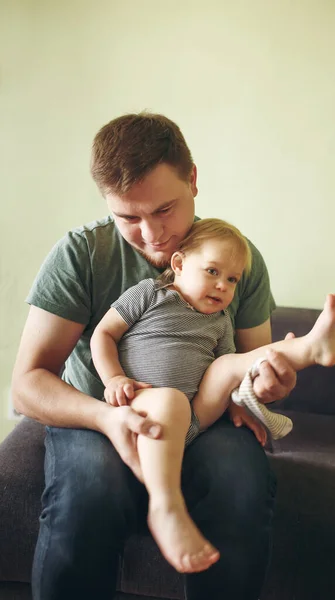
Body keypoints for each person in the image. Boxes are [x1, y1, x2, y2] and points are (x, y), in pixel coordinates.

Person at [11, 112, 298, 600]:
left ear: (193, 180)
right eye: (128, 217)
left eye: (164, 209)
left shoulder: (234, 258)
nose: (152, 234)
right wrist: (106, 418)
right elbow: (27, 382)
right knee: (90, 493)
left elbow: (253, 364)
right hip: (97, 413)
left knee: (241, 483)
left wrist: (265, 388)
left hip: (200, 419)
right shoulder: (81, 254)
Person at [91, 217, 335, 575]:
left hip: (193, 418)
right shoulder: (149, 293)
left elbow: (229, 370)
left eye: (232, 279)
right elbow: (102, 335)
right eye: (212, 271)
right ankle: (165, 508)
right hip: (141, 410)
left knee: (229, 364)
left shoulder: (221, 320)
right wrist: (113, 377)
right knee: (170, 400)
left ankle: (309, 349)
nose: (222, 286)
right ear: (178, 264)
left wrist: (234, 406)